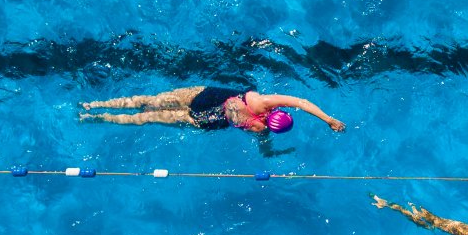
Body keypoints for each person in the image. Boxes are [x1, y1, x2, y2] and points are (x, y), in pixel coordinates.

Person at [80, 86, 345, 133]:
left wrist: (328, 118)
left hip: (203, 95)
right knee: (147, 118)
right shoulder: (259, 128)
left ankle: (96, 105)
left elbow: (300, 102)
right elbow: (263, 146)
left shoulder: (259, 101)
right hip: (202, 120)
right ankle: (99, 118)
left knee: (149, 101)